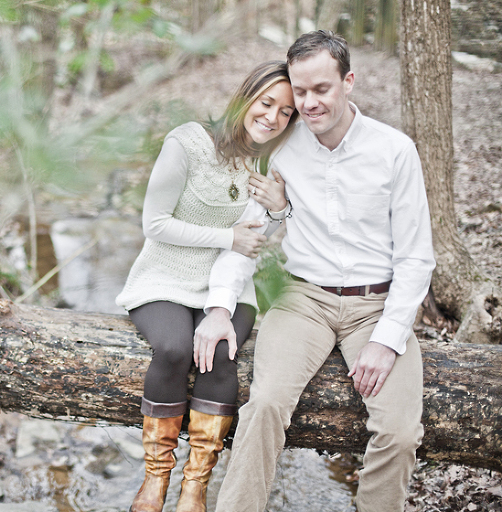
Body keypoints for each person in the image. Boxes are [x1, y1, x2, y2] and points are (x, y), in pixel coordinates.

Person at [195, 31, 435, 512]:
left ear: (348, 82)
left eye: (320, 89)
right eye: (299, 92)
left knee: (400, 431)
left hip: (377, 304)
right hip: (303, 301)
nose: (308, 103)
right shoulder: (281, 151)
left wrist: (387, 339)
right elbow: (248, 239)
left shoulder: (394, 151)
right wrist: (219, 307)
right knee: (263, 406)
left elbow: (416, 257)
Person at [115, 60, 298, 512]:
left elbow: (255, 242)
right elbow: (154, 224)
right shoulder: (188, 142)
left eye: (286, 112)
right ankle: (156, 478)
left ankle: (195, 485)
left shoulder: (270, 161)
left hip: (230, 284)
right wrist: (225, 236)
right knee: (175, 349)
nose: (273, 117)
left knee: (221, 355)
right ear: (245, 96)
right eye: (267, 102)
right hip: (165, 274)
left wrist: (278, 211)